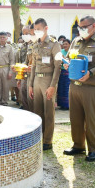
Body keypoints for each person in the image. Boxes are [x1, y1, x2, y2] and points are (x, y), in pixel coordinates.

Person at [63, 15, 95, 162]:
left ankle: (93, 150)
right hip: (76, 86)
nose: (82, 30)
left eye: (85, 27)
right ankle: (78, 146)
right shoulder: (76, 41)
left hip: (94, 87)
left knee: (92, 119)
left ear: (94, 26)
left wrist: (91, 72)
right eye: (80, 27)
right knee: (76, 118)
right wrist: (66, 63)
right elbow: (68, 57)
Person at [28, 18, 62, 151]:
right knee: (37, 111)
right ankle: (39, 137)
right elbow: (33, 65)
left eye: (39, 29)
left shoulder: (54, 44)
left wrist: (53, 85)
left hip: (48, 81)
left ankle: (48, 140)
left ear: (46, 28)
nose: (36, 32)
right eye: (35, 30)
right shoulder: (35, 44)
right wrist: (30, 84)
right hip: (36, 80)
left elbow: (58, 66)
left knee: (48, 112)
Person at [17, 24, 36, 112]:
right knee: (23, 95)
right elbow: (22, 61)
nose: (25, 36)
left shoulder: (35, 44)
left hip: (33, 75)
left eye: (27, 33)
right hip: (24, 74)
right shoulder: (23, 46)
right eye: (23, 34)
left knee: (31, 98)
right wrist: (19, 78)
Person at [0, 31, 15, 105]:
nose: (2, 39)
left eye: (4, 37)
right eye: (1, 37)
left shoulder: (10, 48)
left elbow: (12, 60)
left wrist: (10, 72)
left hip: (6, 68)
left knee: (5, 86)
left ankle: (4, 101)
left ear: (7, 38)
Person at [57, 38, 71, 110]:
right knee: (61, 88)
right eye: (64, 44)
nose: (65, 45)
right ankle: (61, 104)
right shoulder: (61, 51)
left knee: (67, 88)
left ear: (70, 44)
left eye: (66, 44)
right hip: (61, 71)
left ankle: (67, 105)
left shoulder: (71, 52)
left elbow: (70, 61)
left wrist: (64, 58)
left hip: (68, 72)